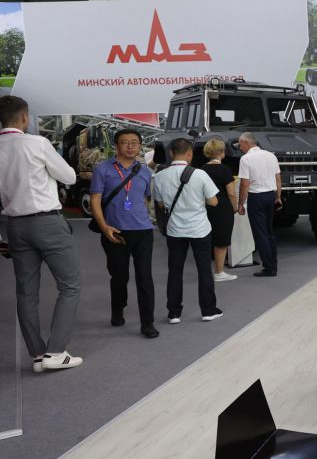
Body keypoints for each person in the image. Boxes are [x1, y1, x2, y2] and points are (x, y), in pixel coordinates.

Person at [0, 95, 83, 371]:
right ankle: (56, 352)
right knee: (69, 285)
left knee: (26, 292)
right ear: (25, 117)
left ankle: (37, 354)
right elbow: (69, 177)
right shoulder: (37, 143)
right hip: (46, 223)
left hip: (14, 226)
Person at [90, 129, 158, 338]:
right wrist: (104, 227)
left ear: (140, 146)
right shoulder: (103, 169)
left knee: (145, 277)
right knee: (119, 277)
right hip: (115, 232)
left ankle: (147, 322)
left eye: (134, 143)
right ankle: (117, 310)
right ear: (117, 146)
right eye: (125, 142)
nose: (130, 146)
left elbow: (145, 199)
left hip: (143, 231)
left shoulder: (145, 171)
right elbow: (95, 200)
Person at [153, 138, 223, 324]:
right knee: (204, 270)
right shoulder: (200, 174)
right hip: (199, 229)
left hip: (175, 230)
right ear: (190, 154)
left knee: (175, 271)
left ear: (171, 153)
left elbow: (160, 204)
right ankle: (208, 310)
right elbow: (213, 202)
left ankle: (174, 313)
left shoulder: (160, 176)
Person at [236, 132, 281, 277]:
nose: (240, 148)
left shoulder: (246, 159)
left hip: (256, 197)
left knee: (260, 233)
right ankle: (273, 264)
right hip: (270, 196)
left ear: (246, 143)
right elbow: (278, 178)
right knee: (269, 232)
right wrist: (278, 196)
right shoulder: (271, 156)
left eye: (240, 144)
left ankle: (269, 268)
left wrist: (240, 203)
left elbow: (245, 184)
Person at [200, 139, 237, 282]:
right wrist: (235, 207)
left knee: (207, 239)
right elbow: (231, 193)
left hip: (206, 207)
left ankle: (205, 272)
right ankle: (219, 272)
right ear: (221, 152)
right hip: (223, 208)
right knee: (222, 241)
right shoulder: (225, 169)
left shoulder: (202, 169)